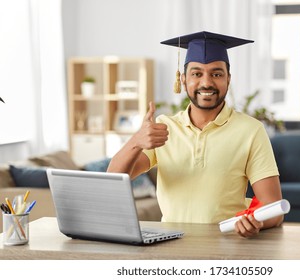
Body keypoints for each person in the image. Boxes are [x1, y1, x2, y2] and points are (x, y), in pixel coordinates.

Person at [107, 31, 283, 238]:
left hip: (226, 243)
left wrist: (255, 222)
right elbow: (114, 180)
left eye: (216, 74)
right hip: (169, 244)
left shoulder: (251, 130)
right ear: (183, 79)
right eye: (196, 73)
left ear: (228, 79)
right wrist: (136, 142)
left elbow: (273, 207)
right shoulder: (164, 127)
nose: (206, 83)